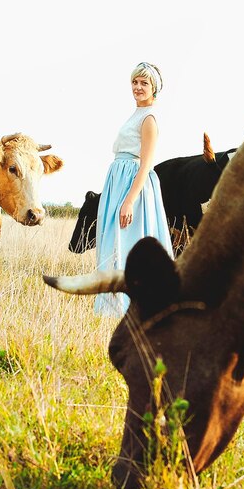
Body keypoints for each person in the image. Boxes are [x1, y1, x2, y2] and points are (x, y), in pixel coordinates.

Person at [94, 62, 174, 316]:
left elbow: (147, 164)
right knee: (111, 244)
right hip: (119, 182)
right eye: (135, 82)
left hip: (133, 187)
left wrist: (129, 200)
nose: (138, 87)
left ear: (154, 89)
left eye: (144, 83)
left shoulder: (149, 118)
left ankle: (132, 309)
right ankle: (111, 307)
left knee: (129, 244)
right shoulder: (136, 114)